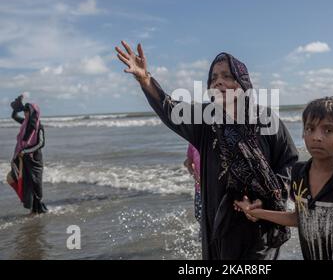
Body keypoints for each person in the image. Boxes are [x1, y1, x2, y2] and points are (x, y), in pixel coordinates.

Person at [115, 41, 299, 260]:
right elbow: (169, 109)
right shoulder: (204, 122)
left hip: (261, 224)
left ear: (243, 83)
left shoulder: (266, 120)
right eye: (213, 78)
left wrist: (265, 200)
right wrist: (144, 78)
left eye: (226, 76)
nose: (218, 81)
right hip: (220, 224)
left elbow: (289, 163)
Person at [235, 97, 333, 260]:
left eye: (328, 130)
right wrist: (257, 212)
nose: (316, 137)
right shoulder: (298, 172)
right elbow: (299, 218)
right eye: (310, 129)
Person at [7, 95, 47, 214]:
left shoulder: (39, 126)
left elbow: (41, 143)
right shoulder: (25, 123)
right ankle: (32, 210)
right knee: (22, 182)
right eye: (24, 111)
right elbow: (13, 116)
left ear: (33, 112)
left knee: (36, 185)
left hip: (35, 161)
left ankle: (38, 209)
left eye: (27, 111)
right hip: (23, 160)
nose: (25, 114)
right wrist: (17, 105)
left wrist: (25, 151)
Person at [184, 143, 202, 225]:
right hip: (199, 188)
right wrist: (194, 175)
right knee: (199, 216)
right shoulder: (192, 143)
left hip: (214, 187)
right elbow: (188, 163)